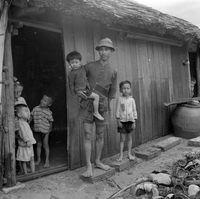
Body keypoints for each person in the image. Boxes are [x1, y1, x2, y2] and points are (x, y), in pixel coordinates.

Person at [77, 38, 118, 177]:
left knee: (100, 135)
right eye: (101, 49)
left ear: (111, 51)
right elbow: (78, 78)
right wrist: (78, 91)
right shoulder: (89, 66)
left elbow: (113, 91)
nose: (103, 52)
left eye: (106, 49)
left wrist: (108, 106)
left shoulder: (113, 70)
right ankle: (88, 166)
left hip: (102, 107)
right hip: (87, 104)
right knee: (88, 135)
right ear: (98, 51)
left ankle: (98, 161)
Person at [67, 51, 104, 121]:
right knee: (96, 97)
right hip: (80, 90)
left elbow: (87, 67)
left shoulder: (82, 68)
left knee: (94, 97)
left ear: (80, 62)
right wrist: (74, 93)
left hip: (86, 88)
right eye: (72, 63)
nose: (74, 64)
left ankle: (94, 109)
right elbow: (71, 84)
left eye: (76, 62)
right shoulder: (71, 74)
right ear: (69, 63)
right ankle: (96, 112)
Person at [115, 80, 137, 162]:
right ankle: (121, 155)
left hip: (130, 121)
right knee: (122, 139)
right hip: (122, 122)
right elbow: (117, 110)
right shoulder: (120, 99)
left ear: (130, 89)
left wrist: (134, 121)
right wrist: (118, 121)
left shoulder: (132, 100)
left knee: (129, 138)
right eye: (123, 88)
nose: (126, 90)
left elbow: (134, 110)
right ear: (120, 90)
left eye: (127, 88)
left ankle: (129, 154)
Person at [31, 92, 54, 168]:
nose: (42, 101)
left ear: (49, 104)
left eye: (45, 101)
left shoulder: (49, 113)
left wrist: (49, 131)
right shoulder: (35, 108)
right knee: (38, 145)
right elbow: (30, 116)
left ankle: (47, 160)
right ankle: (38, 159)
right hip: (37, 130)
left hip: (45, 131)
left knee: (45, 146)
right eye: (42, 99)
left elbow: (51, 122)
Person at [15, 104, 36, 174]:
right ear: (19, 115)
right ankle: (26, 173)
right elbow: (23, 133)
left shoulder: (25, 122)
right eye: (25, 111)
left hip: (29, 143)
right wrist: (27, 140)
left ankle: (33, 172)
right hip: (26, 144)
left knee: (32, 158)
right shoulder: (20, 123)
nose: (28, 113)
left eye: (28, 111)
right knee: (24, 160)